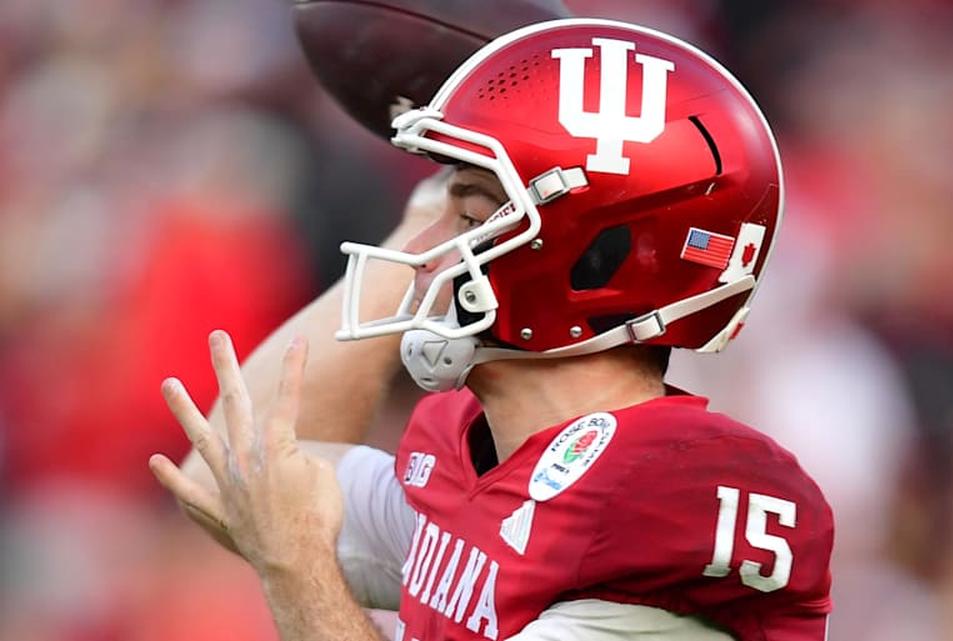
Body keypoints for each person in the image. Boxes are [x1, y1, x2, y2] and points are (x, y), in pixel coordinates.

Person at [149, 18, 835, 641]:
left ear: (594, 261)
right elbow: (230, 475)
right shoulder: (478, 453)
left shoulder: (669, 497)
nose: (425, 245)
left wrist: (297, 568)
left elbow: (287, 536)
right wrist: (441, 198)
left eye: (471, 220)